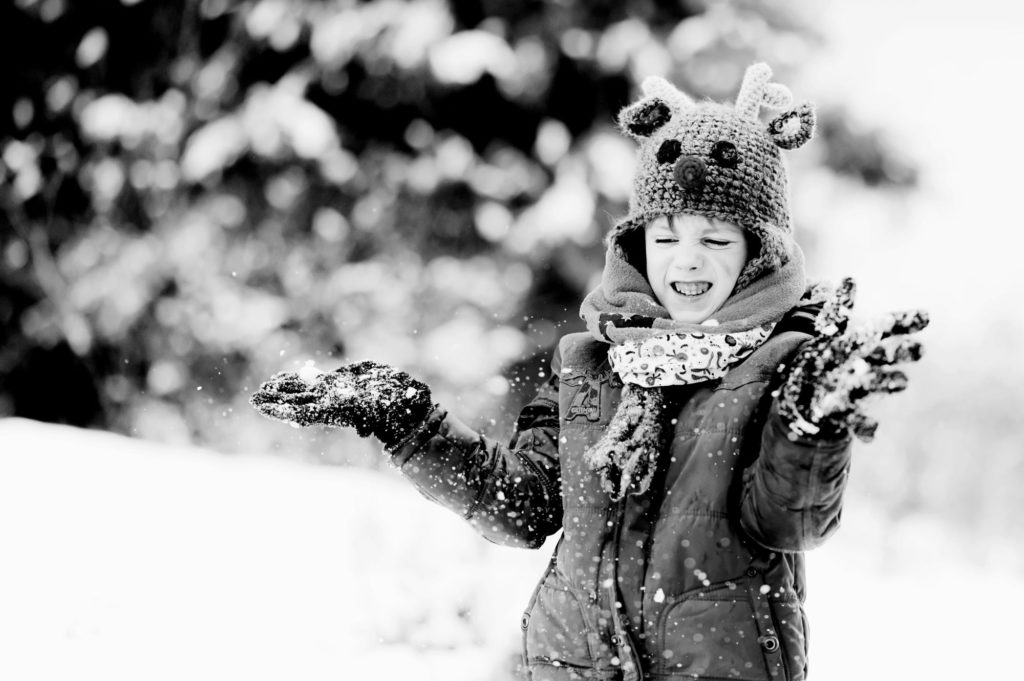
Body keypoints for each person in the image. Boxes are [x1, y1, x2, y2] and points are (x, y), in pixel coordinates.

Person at [250, 63, 927, 681]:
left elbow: (788, 519)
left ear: (758, 252)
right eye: (666, 237)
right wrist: (407, 421)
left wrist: (810, 428)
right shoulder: (591, 365)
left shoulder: (779, 367)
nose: (686, 262)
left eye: (716, 239)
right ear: (637, 242)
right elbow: (520, 504)